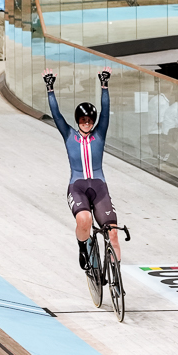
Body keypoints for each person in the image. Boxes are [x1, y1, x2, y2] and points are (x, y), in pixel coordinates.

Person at [44, 69, 121, 271]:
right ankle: (82, 247)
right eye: (82, 120)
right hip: (77, 187)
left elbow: (106, 110)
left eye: (89, 121)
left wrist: (104, 86)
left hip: (99, 187)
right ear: (78, 121)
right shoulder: (69, 134)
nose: (86, 124)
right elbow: (56, 114)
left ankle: (116, 278)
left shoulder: (100, 134)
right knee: (84, 219)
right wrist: (50, 89)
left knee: (113, 232)